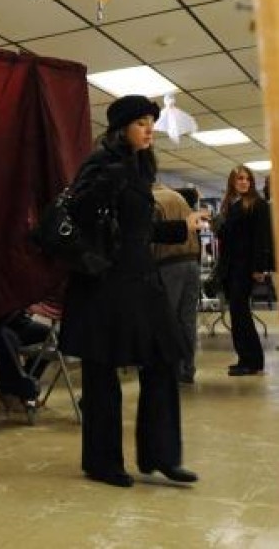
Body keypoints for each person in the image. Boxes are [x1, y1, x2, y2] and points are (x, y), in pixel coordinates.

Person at [59, 94, 207, 488]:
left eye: (151, 123)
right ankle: (102, 462)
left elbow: (135, 230)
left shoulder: (140, 167)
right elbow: (79, 213)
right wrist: (115, 176)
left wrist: (181, 227)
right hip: (104, 284)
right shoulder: (102, 163)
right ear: (121, 127)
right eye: (142, 122)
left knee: (163, 359)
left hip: (142, 280)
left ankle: (161, 455)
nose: (149, 130)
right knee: (102, 373)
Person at [215, 165, 272, 376]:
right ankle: (245, 358)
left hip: (245, 267)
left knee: (242, 315)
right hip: (230, 268)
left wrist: (259, 267)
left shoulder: (258, 204)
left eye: (247, 179)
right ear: (232, 181)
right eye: (240, 179)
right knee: (237, 315)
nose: (244, 182)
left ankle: (253, 360)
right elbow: (227, 236)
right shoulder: (230, 205)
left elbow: (261, 237)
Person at [152, 184, 202, 384]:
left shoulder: (153, 201)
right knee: (187, 321)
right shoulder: (179, 199)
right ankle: (187, 368)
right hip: (191, 262)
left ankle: (171, 370)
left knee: (168, 319)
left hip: (168, 263)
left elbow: (151, 237)